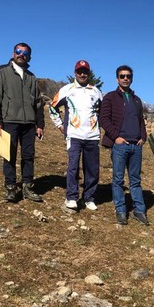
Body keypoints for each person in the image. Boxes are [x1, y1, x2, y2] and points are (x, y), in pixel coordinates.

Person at [0, 42, 44, 203]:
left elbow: (39, 104)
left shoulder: (32, 77)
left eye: (25, 53)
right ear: (13, 54)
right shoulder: (2, 71)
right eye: (18, 51)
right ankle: (11, 188)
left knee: (28, 156)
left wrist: (40, 124)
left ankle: (27, 187)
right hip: (9, 121)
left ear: (29, 57)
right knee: (9, 155)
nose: (21, 55)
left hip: (29, 124)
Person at [50, 60, 102, 212]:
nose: (82, 74)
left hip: (92, 136)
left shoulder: (96, 91)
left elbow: (102, 111)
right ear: (75, 73)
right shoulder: (67, 90)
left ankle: (89, 198)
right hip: (74, 135)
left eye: (85, 71)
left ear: (88, 73)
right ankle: (71, 197)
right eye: (79, 71)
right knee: (73, 167)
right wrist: (60, 125)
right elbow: (52, 108)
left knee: (92, 169)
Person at [99, 65, 149, 225]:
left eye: (128, 76)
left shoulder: (136, 100)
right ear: (117, 79)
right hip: (120, 145)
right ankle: (120, 210)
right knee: (118, 179)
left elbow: (141, 120)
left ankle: (139, 210)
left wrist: (143, 137)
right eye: (122, 76)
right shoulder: (110, 97)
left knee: (135, 179)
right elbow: (104, 119)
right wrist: (117, 138)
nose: (125, 78)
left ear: (132, 78)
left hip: (136, 146)